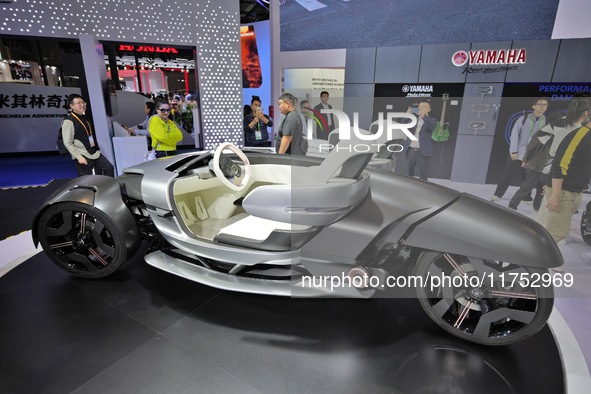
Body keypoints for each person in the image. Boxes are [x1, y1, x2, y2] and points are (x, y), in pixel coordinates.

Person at [537, 118, 591, 245]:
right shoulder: (580, 135)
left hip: (574, 191)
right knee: (556, 236)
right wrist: (556, 195)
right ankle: (541, 263)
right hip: (562, 191)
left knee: (557, 232)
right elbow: (560, 165)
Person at [492, 98, 548, 202]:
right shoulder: (523, 119)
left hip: (532, 156)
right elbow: (514, 135)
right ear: (533, 106)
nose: (542, 107)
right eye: (539, 104)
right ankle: (498, 194)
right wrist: (513, 151)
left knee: (527, 178)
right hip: (517, 152)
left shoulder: (546, 122)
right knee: (507, 174)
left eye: (545, 105)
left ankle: (526, 197)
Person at [60, 93, 115, 177]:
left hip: (93, 152)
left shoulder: (85, 117)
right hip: (82, 154)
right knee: (86, 179)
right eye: (78, 103)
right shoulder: (69, 121)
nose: (82, 105)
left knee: (109, 168)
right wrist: (79, 157)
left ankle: (107, 188)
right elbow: (68, 143)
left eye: (83, 103)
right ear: (71, 106)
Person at [401, 100, 437, 181]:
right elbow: (403, 126)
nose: (421, 108)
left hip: (422, 152)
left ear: (429, 109)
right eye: (419, 107)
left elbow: (432, 127)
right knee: (408, 174)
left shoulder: (432, 120)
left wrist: (424, 117)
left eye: (424, 107)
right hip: (410, 150)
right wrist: (408, 114)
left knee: (423, 175)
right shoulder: (413, 120)